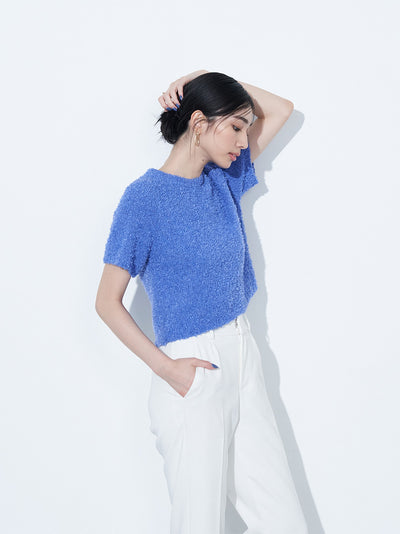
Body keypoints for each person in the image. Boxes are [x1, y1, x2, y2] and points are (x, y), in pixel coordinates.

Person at [95, 69, 308, 534]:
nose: (244, 140)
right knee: (199, 524)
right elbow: (107, 302)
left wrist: (200, 73)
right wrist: (168, 370)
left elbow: (282, 109)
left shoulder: (223, 180)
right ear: (198, 122)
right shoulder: (144, 199)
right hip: (192, 368)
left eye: (245, 128)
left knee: (284, 521)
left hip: (244, 357)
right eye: (235, 126)